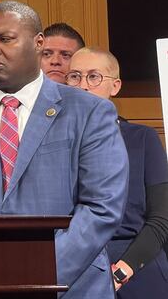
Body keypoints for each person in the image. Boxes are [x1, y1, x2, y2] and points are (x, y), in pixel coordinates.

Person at [0, 0, 128, 298]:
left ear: (38, 43)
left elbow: (101, 207)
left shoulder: (89, 111)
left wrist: (36, 272)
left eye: (4, 39)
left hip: (69, 284)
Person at [68, 47, 168, 298]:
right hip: (76, 270)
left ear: (115, 86)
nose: (83, 86)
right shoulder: (55, 144)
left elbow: (161, 218)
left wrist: (122, 271)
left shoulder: (142, 139)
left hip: (137, 265)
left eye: (94, 77)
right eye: (74, 77)